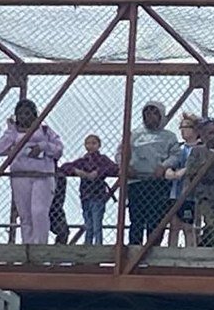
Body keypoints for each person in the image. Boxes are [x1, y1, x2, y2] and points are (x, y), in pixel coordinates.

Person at [0, 99, 63, 245]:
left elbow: (58, 149)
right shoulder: (13, 133)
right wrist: (11, 131)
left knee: (39, 211)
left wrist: (43, 146)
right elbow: (0, 149)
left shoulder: (45, 131)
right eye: (20, 114)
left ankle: (40, 245)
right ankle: (28, 246)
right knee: (25, 215)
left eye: (27, 113)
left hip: (42, 176)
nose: (24, 117)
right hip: (20, 176)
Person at [127, 103, 181, 245]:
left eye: (154, 112)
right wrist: (126, 166)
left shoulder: (169, 136)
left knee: (156, 219)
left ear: (161, 116)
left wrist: (164, 166)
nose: (149, 116)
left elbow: (176, 155)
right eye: (147, 112)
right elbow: (121, 153)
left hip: (158, 183)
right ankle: (134, 248)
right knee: (136, 219)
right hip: (137, 181)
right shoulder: (135, 135)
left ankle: (153, 249)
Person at [62, 134, 117, 245]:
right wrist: (76, 171)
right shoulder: (83, 161)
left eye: (93, 143)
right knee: (88, 224)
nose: (90, 146)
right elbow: (64, 167)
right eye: (88, 143)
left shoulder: (102, 160)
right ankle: (87, 245)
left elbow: (114, 168)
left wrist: (98, 172)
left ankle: (98, 245)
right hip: (85, 195)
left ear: (99, 145)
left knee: (97, 224)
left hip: (98, 196)